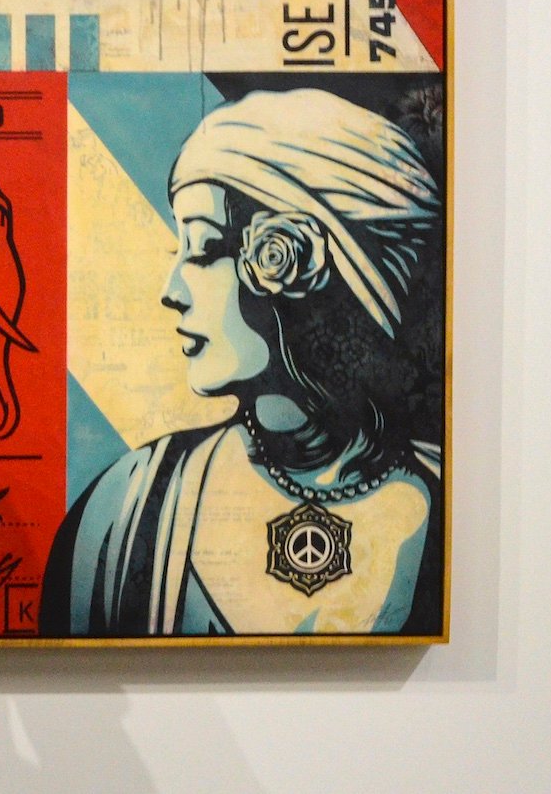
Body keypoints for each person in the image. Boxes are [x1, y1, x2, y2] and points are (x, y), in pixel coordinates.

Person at [43, 88, 445, 636]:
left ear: (307, 267)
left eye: (205, 250)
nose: (172, 290)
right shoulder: (127, 511)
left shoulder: (449, 505)